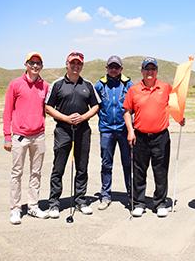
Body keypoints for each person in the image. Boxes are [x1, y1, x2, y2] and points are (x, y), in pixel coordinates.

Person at [123, 57, 185, 218]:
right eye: (146, 69)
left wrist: (179, 117)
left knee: (161, 170)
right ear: (142, 71)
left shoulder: (165, 88)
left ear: (156, 71)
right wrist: (130, 131)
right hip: (140, 136)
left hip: (161, 137)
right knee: (139, 171)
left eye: (153, 69)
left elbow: (175, 105)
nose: (149, 72)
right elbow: (127, 111)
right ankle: (139, 203)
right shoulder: (134, 90)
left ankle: (160, 203)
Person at [45, 51, 100, 218]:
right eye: (73, 63)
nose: (76, 66)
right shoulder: (58, 84)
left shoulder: (88, 85)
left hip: (83, 131)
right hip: (63, 130)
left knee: (82, 167)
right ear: (67, 64)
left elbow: (96, 106)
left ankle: (80, 200)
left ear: (82, 66)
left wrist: (83, 117)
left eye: (79, 63)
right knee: (59, 167)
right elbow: (48, 107)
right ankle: (54, 203)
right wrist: (66, 119)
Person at [3, 51, 50, 224]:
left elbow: (50, 107)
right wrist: (7, 136)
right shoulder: (15, 84)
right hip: (20, 136)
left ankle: (33, 206)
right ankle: (15, 209)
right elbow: (7, 111)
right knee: (17, 173)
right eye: (32, 63)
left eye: (38, 63)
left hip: (39, 136)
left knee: (36, 173)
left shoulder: (45, 86)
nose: (35, 66)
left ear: (41, 66)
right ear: (26, 65)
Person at [94, 55, 133, 210]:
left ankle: (132, 195)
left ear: (121, 69)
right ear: (107, 68)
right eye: (111, 67)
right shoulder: (99, 85)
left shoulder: (128, 85)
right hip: (107, 130)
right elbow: (94, 105)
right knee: (106, 163)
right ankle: (105, 195)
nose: (114, 70)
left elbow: (134, 106)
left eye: (116, 67)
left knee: (128, 163)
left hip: (124, 130)